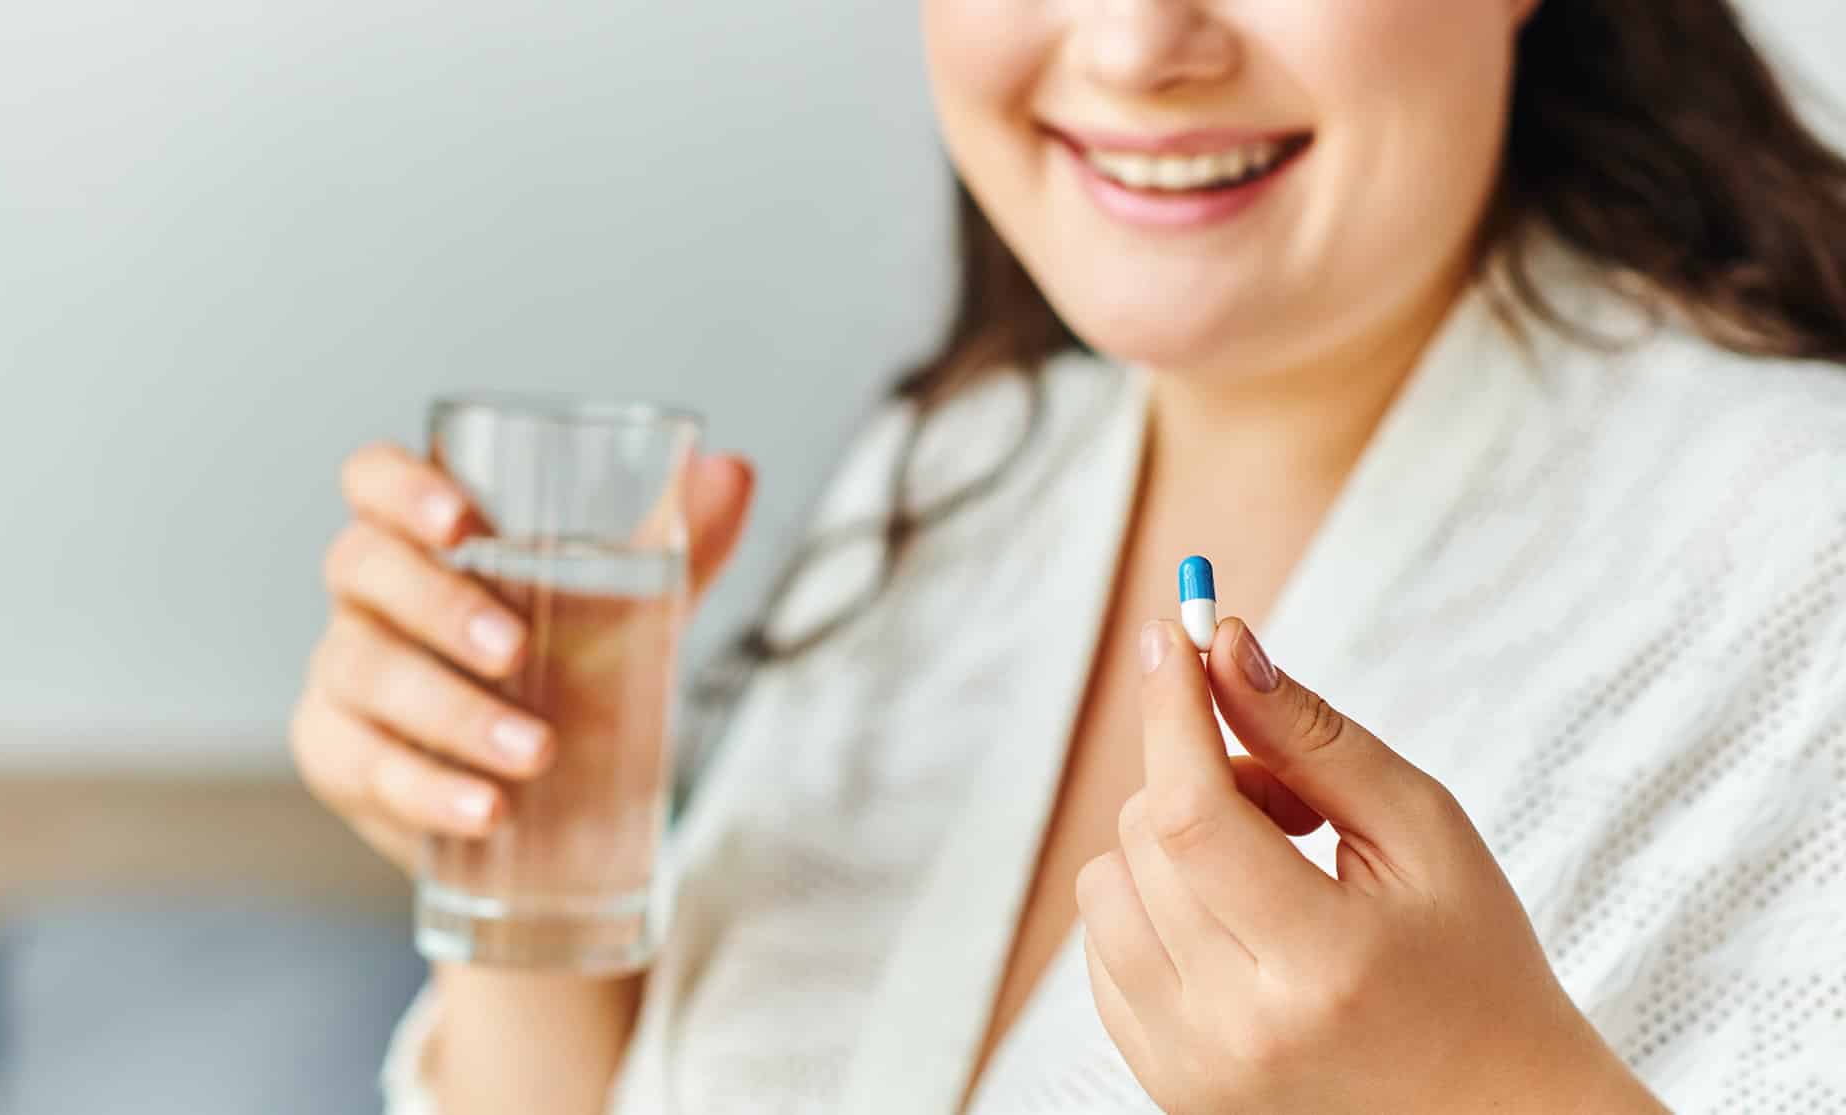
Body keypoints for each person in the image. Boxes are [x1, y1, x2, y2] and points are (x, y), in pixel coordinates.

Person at [289, 1, 1846, 1111]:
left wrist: (1491, 1102)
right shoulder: (962, 474)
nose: (1131, 45)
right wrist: (531, 850)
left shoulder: (1800, 557)